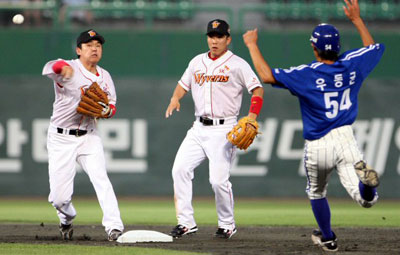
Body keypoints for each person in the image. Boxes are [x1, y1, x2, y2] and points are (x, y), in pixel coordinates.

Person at [243, 0, 384, 252]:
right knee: (365, 202)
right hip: (345, 139)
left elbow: (265, 76)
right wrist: (357, 20)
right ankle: (367, 187)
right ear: (338, 47)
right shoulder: (353, 65)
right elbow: (372, 48)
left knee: (317, 192)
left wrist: (252, 45)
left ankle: (328, 238)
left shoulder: (306, 73)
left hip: (317, 144)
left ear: (314, 48)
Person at [165, 19, 264, 239]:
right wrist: (175, 97)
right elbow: (183, 85)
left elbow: (257, 90)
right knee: (179, 169)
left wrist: (251, 116)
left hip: (224, 129)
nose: (214, 40)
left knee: (218, 181)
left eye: (219, 36)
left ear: (228, 39)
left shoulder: (238, 64)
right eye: (211, 36)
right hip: (198, 127)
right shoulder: (197, 62)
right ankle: (186, 223)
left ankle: (227, 224)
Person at [42, 29, 124, 241]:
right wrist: (63, 69)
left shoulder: (105, 76)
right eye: (88, 45)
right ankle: (66, 218)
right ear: (79, 50)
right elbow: (48, 67)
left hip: (89, 136)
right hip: (61, 137)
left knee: (101, 179)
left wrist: (107, 111)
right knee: (59, 198)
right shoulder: (69, 66)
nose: (94, 48)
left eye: (98, 45)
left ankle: (114, 227)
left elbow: (112, 104)